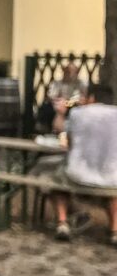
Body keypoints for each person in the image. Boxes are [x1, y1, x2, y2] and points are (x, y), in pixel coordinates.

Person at [45, 84, 117, 241]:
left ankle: (62, 222)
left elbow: (66, 140)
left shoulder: (78, 113)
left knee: (55, 180)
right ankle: (114, 229)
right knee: (113, 189)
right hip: (111, 177)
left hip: (78, 174)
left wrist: (61, 113)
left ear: (91, 97)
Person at [38, 62, 88, 133]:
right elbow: (51, 96)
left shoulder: (81, 84)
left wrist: (69, 102)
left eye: (72, 72)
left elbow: (81, 97)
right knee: (46, 107)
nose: (69, 74)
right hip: (59, 104)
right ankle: (46, 128)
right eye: (67, 71)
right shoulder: (57, 83)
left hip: (73, 105)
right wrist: (60, 101)